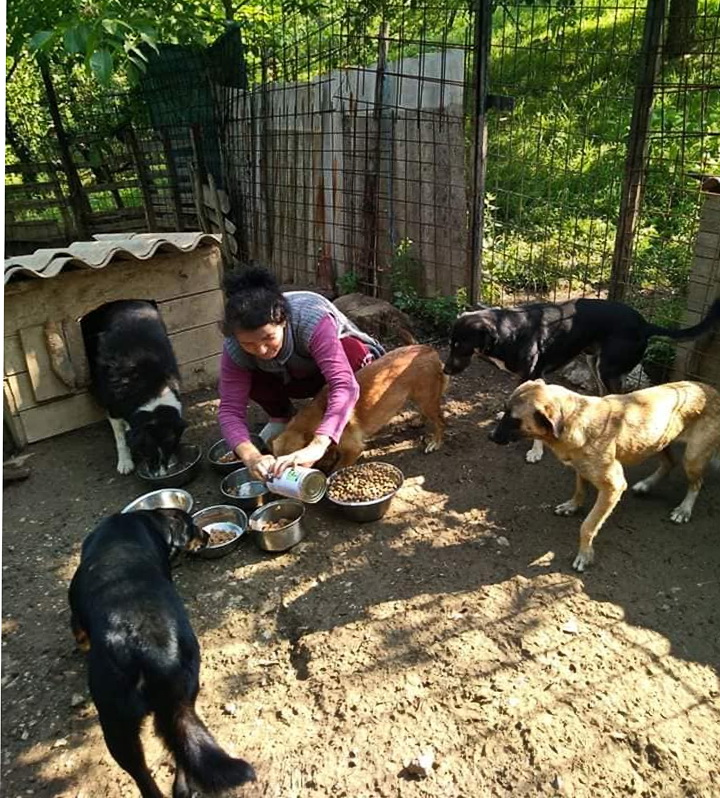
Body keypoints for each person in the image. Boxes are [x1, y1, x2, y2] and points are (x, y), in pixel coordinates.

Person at [218, 266, 384, 480]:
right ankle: (281, 416)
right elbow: (230, 409)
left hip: (339, 369)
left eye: (268, 338)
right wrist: (251, 456)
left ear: (283, 321)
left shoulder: (310, 317)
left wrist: (319, 443)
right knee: (249, 373)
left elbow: (343, 384)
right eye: (248, 344)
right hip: (293, 375)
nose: (261, 349)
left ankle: (345, 425)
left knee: (350, 351)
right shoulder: (233, 345)